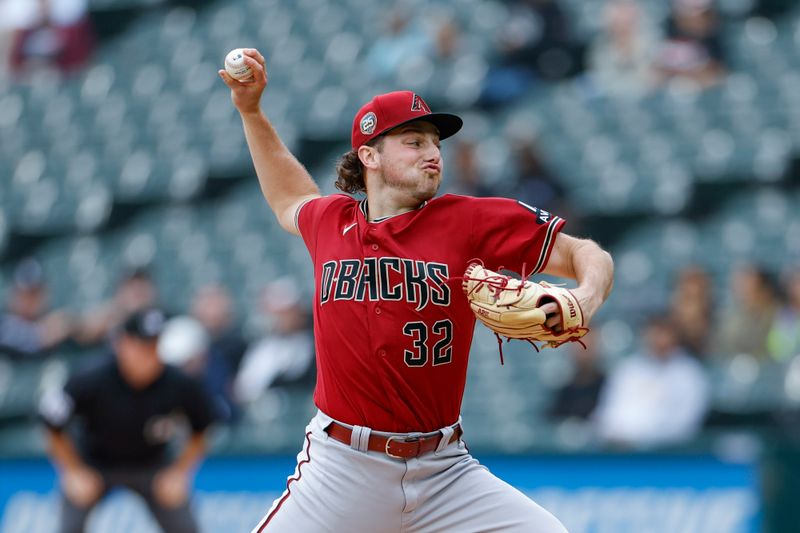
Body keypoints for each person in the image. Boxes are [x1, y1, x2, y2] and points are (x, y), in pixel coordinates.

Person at [219, 49, 613, 533]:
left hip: (445, 471)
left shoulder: (469, 221)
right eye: (413, 141)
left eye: (436, 143)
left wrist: (584, 296)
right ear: (369, 155)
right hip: (342, 469)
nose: (432, 152)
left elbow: (588, 254)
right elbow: (288, 196)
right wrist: (251, 112)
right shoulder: (332, 222)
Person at [38, 308, 217, 533]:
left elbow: (203, 428)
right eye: (141, 346)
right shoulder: (90, 377)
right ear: (122, 344)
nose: (149, 354)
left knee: (185, 524)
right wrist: (72, 471)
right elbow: (51, 424)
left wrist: (180, 473)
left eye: (154, 346)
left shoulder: (178, 383)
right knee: (70, 522)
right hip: (95, 463)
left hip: (152, 464)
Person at [594, 315, 709, 448]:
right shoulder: (628, 369)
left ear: (675, 336)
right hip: (622, 452)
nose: (658, 339)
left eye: (663, 333)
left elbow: (686, 423)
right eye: (654, 333)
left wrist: (647, 440)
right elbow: (608, 412)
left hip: (668, 456)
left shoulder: (690, 374)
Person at [233, 277, 314, 406]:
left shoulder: (313, 344)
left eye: (288, 312)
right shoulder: (263, 348)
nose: (283, 318)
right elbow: (243, 390)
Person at [0, 257, 71, 358]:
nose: (27, 301)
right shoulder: (4, 324)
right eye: (22, 294)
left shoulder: (52, 318)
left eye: (33, 294)